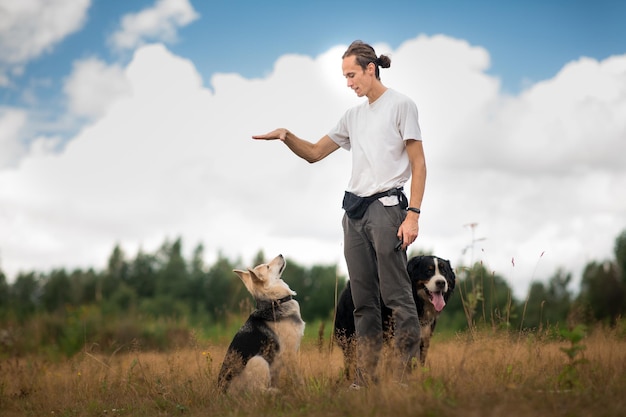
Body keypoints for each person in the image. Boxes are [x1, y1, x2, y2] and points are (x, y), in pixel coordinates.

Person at [252, 40, 426, 386]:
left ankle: (404, 377)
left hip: (388, 209)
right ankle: (367, 377)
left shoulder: (401, 105)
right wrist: (287, 136)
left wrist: (413, 214)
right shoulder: (353, 116)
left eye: (351, 75)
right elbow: (316, 152)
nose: (348, 83)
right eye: (345, 77)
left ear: (370, 69)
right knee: (362, 303)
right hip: (354, 213)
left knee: (397, 296)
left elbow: (419, 164)